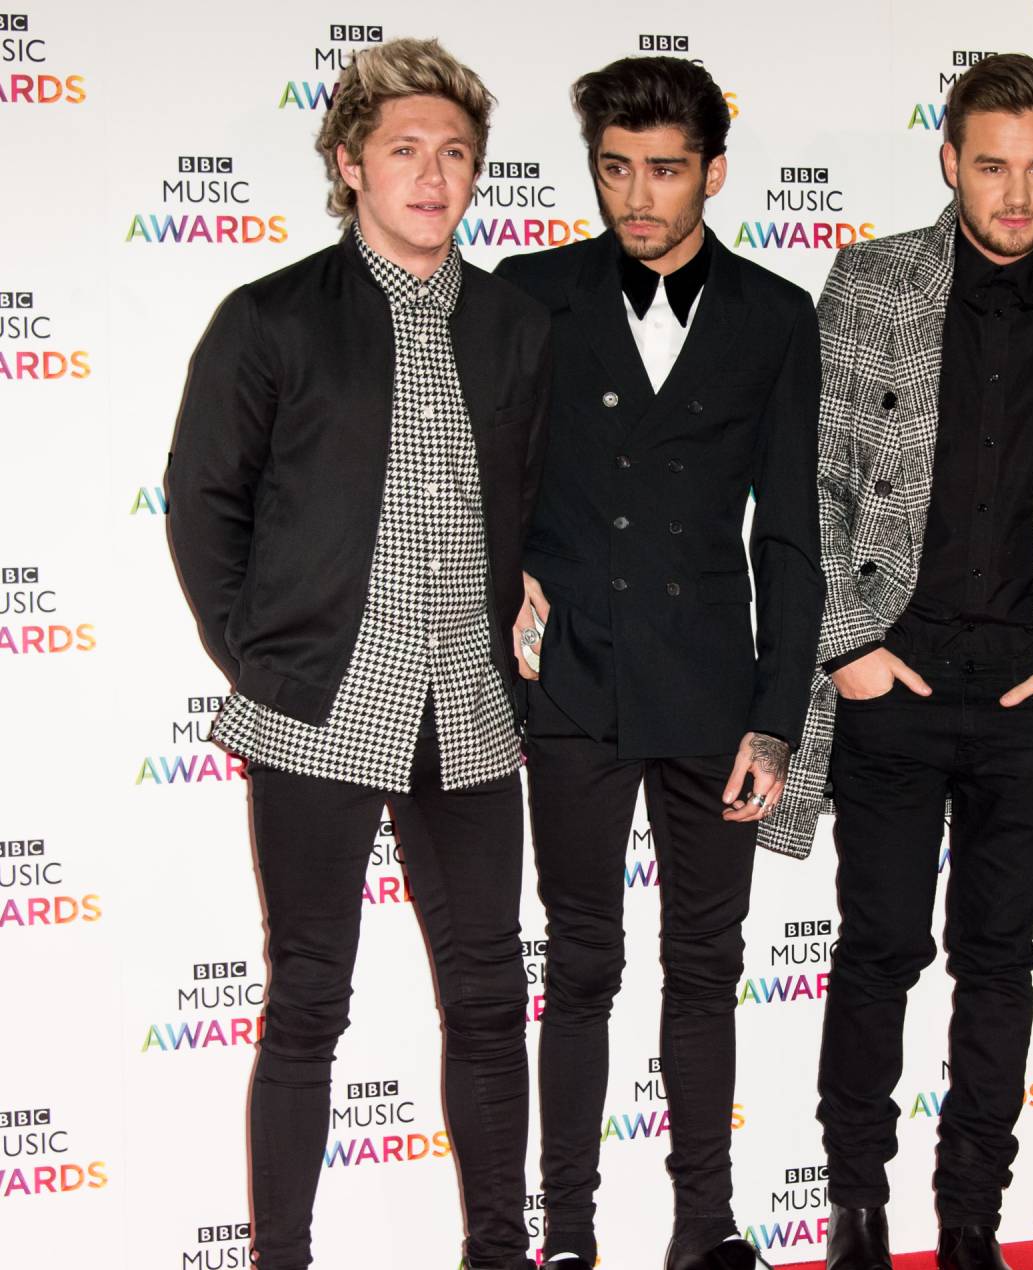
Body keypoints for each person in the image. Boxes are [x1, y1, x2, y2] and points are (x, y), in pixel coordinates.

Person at [756, 52, 1033, 1270]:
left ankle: (972, 1215)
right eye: (991, 166)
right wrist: (847, 647)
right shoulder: (871, 281)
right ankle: (856, 1208)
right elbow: (811, 483)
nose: (1016, 194)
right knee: (876, 947)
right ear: (949, 162)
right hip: (892, 683)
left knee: (999, 960)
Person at [164, 38, 550, 1270]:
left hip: (470, 705)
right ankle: (281, 1255)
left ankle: (500, 1250)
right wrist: (262, 657)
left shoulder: (515, 325)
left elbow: (538, 496)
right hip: (316, 705)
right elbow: (203, 505)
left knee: (488, 997)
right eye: (404, 151)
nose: (432, 177)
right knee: (308, 998)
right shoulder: (271, 318)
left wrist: (529, 592)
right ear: (349, 164)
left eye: (455, 154)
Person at [493, 55, 821, 1270]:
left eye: (666, 171)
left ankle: (704, 1226)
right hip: (570, 677)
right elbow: (470, 479)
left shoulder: (775, 315)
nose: (637, 196)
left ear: (713, 173)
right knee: (580, 963)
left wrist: (775, 717)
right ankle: (568, 1236)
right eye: (616, 168)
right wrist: (503, 591)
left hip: (709, 689)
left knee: (705, 966)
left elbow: (790, 534)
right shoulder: (528, 296)